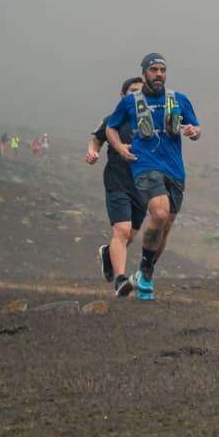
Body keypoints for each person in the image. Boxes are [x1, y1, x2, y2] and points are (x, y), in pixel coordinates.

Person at [104, 53, 201, 301]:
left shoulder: (177, 99)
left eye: (162, 70)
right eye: (154, 69)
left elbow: (196, 128)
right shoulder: (130, 102)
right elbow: (110, 127)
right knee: (159, 212)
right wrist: (119, 147)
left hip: (175, 169)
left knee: (165, 228)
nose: (158, 74)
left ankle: (144, 274)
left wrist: (193, 131)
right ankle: (139, 274)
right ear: (144, 73)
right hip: (145, 165)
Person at [86, 76, 146, 295]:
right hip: (117, 181)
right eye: (132, 91)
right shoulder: (113, 119)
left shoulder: (149, 122)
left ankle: (108, 253)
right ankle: (120, 280)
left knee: (130, 235)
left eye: (141, 92)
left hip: (142, 186)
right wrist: (92, 152)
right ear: (122, 95)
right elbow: (96, 139)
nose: (136, 95)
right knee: (122, 230)